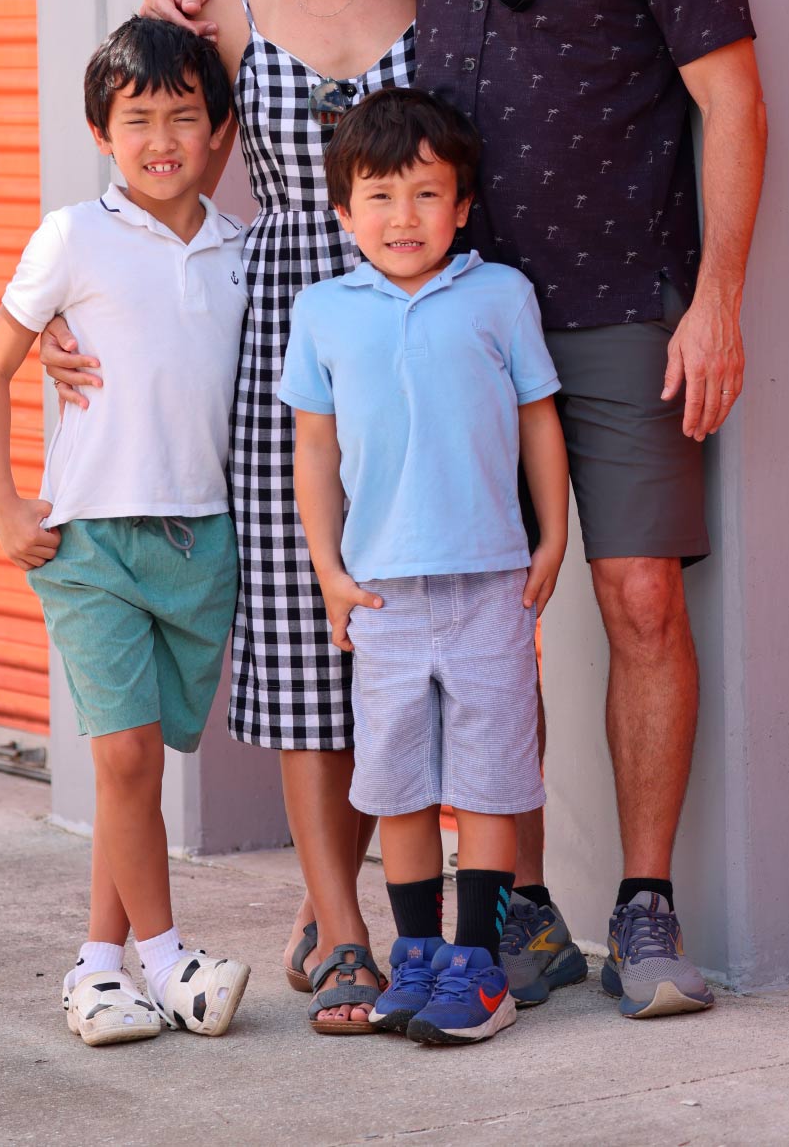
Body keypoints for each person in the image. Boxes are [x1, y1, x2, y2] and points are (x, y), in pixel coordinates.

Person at [139, 0, 768, 1020]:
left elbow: (732, 99)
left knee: (633, 594)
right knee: (460, 615)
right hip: (410, 314)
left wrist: (717, 296)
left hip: (608, 297)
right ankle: (501, 912)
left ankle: (647, 905)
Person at [42, 0, 426, 1029]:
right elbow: (154, 206)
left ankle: (330, 910)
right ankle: (347, 920)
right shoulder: (227, 15)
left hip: (420, 362)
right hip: (285, 367)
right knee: (316, 658)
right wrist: (60, 320)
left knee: (413, 626)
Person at [0, 17, 251, 1045]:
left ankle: (97, 968)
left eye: (185, 115)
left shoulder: (242, 253)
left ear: (221, 131)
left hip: (202, 541)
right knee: (126, 757)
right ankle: (170, 959)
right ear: (101, 131)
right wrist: (3, 504)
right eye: (138, 120)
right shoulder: (72, 235)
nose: (163, 138)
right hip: (88, 540)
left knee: (138, 766)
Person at [281, 88, 569, 1044]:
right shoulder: (323, 310)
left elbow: (538, 418)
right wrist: (328, 569)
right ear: (341, 211)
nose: (403, 218)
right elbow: (314, 452)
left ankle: (477, 966)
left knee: (488, 778)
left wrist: (554, 534)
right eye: (378, 196)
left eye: (424, 194)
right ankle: (415, 957)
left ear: (463, 204)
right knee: (397, 781)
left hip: (489, 580)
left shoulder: (500, 295)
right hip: (382, 593)